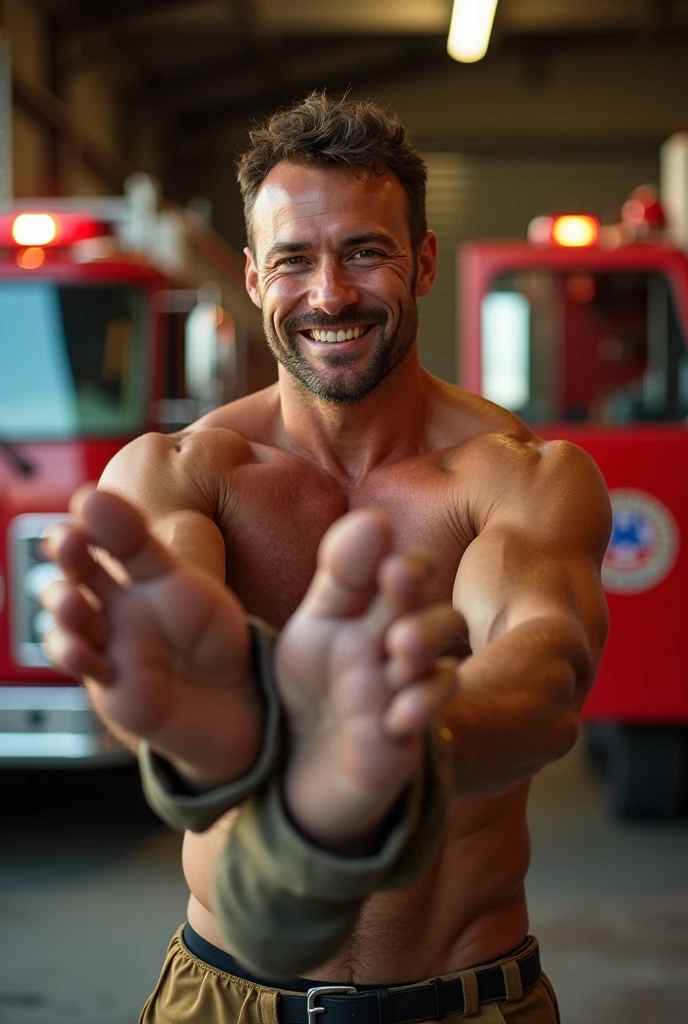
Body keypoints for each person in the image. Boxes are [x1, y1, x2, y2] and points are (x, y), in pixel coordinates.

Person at [42, 92, 611, 1024]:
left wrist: (401, 749)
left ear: (422, 262)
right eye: (295, 260)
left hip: (468, 1004)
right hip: (224, 998)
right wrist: (213, 720)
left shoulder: (520, 476)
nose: (330, 293)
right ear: (255, 278)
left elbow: (543, 666)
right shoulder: (181, 472)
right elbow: (169, 654)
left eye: (364, 251)